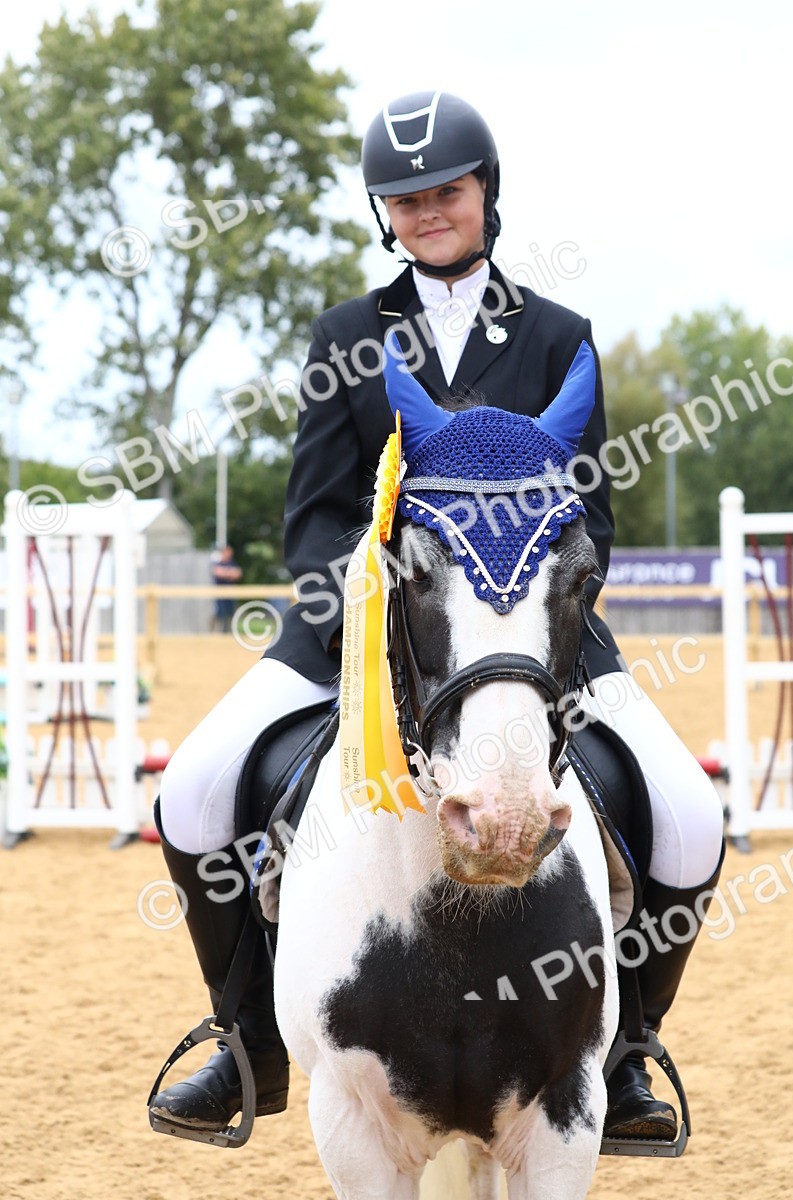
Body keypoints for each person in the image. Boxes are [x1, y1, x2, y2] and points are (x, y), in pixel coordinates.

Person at [150, 91, 724, 1141]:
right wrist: (371, 618)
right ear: (385, 214)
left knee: (689, 816)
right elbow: (315, 516)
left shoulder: (558, 338)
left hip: (530, 638)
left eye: (444, 192)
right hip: (364, 631)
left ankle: (629, 1049)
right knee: (190, 790)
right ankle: (246, 1042)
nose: (426, 212)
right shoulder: (344, 337)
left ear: (486, 192)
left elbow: (589, 518)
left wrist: (539, 616)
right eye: (403, 199)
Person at [210, 544, 242, 633]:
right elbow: (217, 572)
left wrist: (225, 573)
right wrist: (230, 573)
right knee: (218, 614)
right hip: (219, 595)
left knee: (230, 614)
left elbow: (238, 574)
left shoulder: (232, 563)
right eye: (227, 552)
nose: (229, 554)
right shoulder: (218, 563)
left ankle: (229, 632)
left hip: (230, 595)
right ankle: (216, 632)